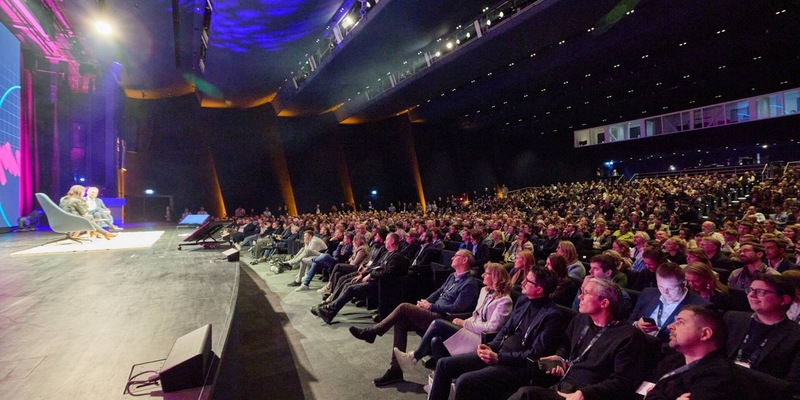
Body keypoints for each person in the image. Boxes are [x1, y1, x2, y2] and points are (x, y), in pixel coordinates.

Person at [427, 266, 567, 400]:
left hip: (517, 367)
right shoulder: (524, 301)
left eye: (528, 281)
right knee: (444, 364)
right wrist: (491, 346)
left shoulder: (552, 316)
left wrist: (499, 358)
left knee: (464, 381)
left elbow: (534, 353)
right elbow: (506, 328)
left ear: (539, 289)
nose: (522, 282)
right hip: (498, 353)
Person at [348, 248, 480, 386]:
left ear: (464, 260)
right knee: (401, 322)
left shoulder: (469, 284)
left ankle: (373, 332)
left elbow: (456, 309)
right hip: (431, 312)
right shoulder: (452, 276)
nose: (452, 258)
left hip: (443, 319)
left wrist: (430, 306)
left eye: (456, 256)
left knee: (404, 307)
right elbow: (438, 292)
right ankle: (395, 371)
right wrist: (424, 303)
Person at [508, 278, 645, 400]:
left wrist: (585, 393)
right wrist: (560, 357)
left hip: (587, 394)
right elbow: (565, 343)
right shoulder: (581, 319)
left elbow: (622, 381)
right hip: (563, 385)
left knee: (525, 394)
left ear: (604, 303)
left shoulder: (628, 336)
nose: (580, 297)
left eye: (585, 293)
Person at [393, 263, 513, 373]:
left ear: (495, 277)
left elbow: (492, 327)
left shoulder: (505, 301)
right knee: (436, 340)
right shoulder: (484, 291)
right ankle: (442, 377)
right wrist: (466, 322)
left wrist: (465, 323)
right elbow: (476, 315)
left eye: (486, 273)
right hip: (471, 329)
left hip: (482, 339)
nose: (482, 275)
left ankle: (413, 357)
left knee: (437, 324)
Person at [643, 305, 741, 400]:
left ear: (705, 334)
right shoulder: (672, 361)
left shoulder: (717, 377)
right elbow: (650, 392)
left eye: (680, 322)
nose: (670, 326)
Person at [724, 274, 800, 396]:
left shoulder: (796, 335)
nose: (751, 295)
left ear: (784, 300)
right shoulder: (732, 318)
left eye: (760, 292)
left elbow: (792, 385)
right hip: (721, 385)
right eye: (751, 290)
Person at [314, 232, 409, 325]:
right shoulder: (388, 254)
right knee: (348, 283)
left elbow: (386, 273)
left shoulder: (396, 257)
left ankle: (329, 310)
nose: (384, 242)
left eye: (387, 240)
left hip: (381, 285)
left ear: (392, 241)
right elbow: (376, 266)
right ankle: (329, 309)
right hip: (375, 281)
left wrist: (371, 275)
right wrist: (364, 275)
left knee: (351, 288)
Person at [630, 262, 710, 342]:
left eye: (670, 288)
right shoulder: (648, 293)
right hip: (637, 342)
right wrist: (636, 324)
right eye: (660, 286)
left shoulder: (700, 307)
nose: (664, 292)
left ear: (684, 284)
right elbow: (630, 320)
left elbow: (692, 342)